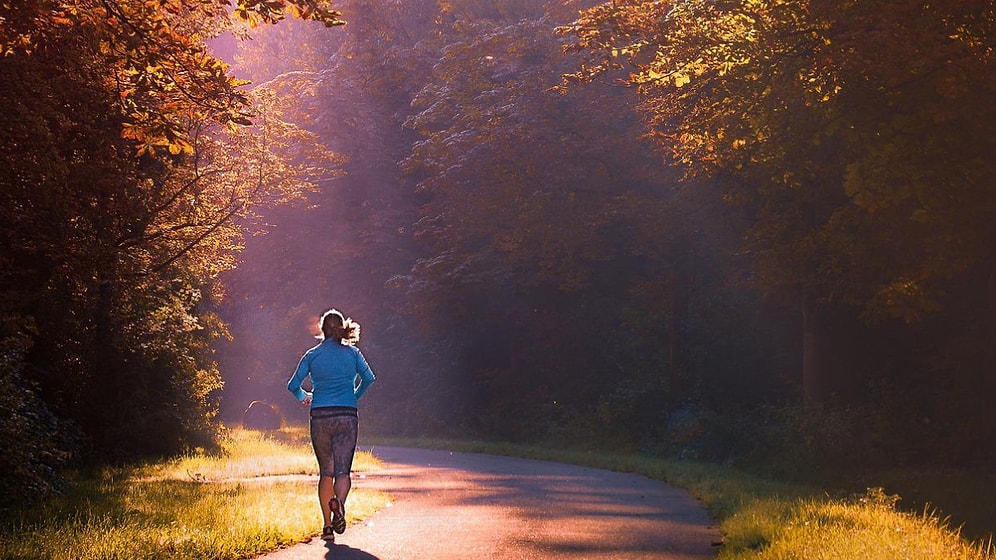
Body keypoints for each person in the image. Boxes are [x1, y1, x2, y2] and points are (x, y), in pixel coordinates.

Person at [287, 309, 376, 542]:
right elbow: (370, 378)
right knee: (343, 471)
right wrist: (354, 395)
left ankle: (327, 527)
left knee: (326, 472)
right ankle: (340, 505)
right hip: (347, 414)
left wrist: (304, 396)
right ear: (341, 329)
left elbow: (292, 385)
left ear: (322, 329)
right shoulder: (353, 354)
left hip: (320, 415)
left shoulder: (312, 355)